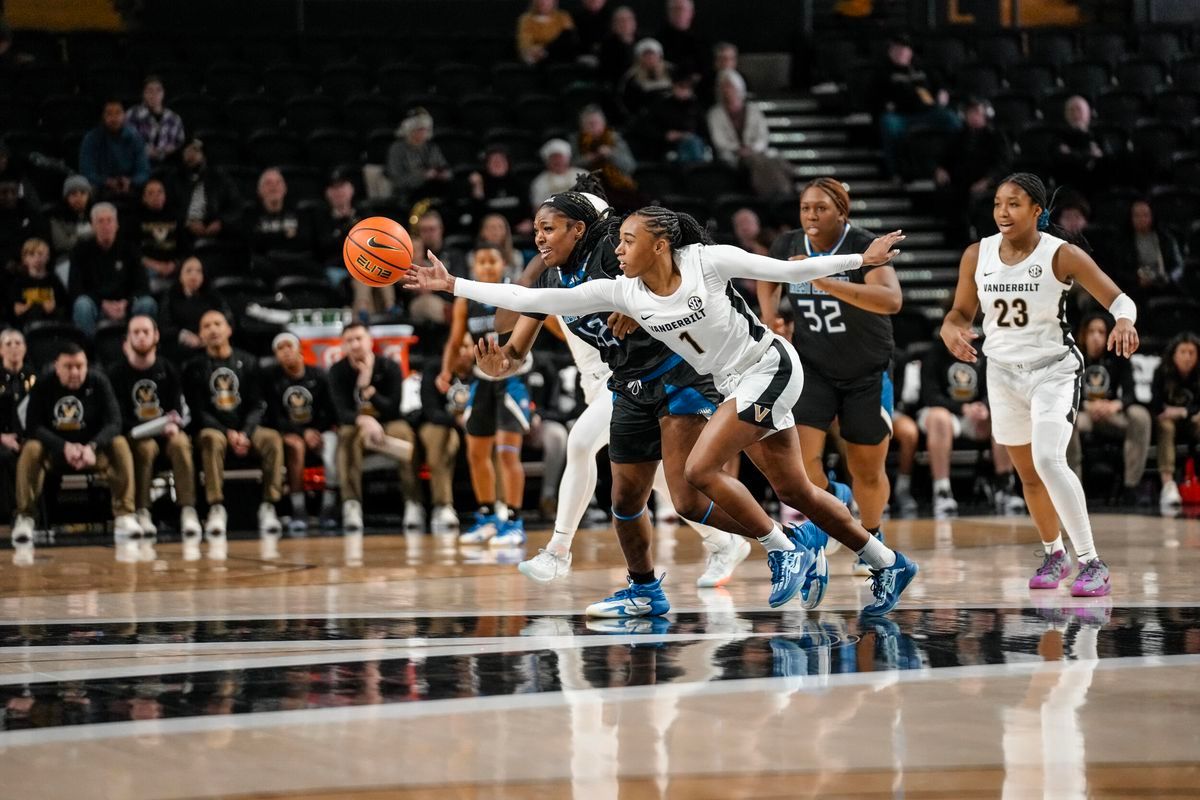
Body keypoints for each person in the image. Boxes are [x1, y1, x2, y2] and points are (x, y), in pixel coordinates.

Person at [407, 203, 917, 616]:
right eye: (618, 241)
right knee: (794, 489)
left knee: (697, 471)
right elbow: (524, 295)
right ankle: (886, 561)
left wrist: (862, 261)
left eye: (628, 241)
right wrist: (453, 285)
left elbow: (788, 269)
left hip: (769, 365)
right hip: (726, 382)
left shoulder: (706, 261)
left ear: (660, 244)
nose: (619, 249)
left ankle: (784, 550)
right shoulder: (621, 292)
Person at [483, 181, 750, 592]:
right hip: (611, 381)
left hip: (661, 374)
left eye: (550, 228)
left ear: (580, 228)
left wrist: (639, 307)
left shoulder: (614, 260)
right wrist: (496, 365)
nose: (539, 235)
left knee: (580, 443)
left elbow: (674, 282)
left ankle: (558, 551)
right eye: (537, 228)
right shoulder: (553, 276)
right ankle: (726, 542)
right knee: (662, 484)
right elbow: (509, 335)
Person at [940, 172, 1140, 597]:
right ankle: (1054, 553)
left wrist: (1124, 320)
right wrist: (950, 329)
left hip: (1053, 370)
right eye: (997, 203)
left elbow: (1120, 299)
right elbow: (959, 313)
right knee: (1028, 473)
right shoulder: (977, 254)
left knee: (1049, 459)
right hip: (1002, 372)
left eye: (1013, 203)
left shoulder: (1060, 255)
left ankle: (1091, 562)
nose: (1002, 212)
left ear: (1037, 210)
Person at [757, 178, 901, 574]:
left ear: (842, 212)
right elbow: (766, 276)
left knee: (867, 468)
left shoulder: (862, 246)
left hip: (866, 370)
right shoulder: (788, 246)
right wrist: (770, 316)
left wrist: (821, 280)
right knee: (800, 465)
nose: (811, 216)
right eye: (805, 208)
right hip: (813, 368)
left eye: (821, 208)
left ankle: (870, 536)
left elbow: (891, 300)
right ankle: (835, 499)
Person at [11, 343, 140, 563]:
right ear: (56, 367)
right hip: (55, 453)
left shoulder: (99, 381)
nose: (75, 372)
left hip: (91, 451)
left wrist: (92, 446)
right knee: (31, 448)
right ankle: (25, 516)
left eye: (80, 366)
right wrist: (64, 447)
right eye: (68, 367)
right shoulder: (43, 384)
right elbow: (33, 426)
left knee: (119, 444)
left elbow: (114, 422)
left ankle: (125, 514)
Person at [439, 242, 532, 546]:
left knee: (507, 453)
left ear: (503, 265)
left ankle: (515, 521)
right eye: (482, 261)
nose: (488, 266)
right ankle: (488, 516)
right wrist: (445, 371)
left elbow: (546, 321)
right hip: (482, 379)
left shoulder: (515, 291)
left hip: (513, 378)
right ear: (474, 268)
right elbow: (455, 341)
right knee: (476, 452)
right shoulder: (467, 299)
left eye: (493, 261)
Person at [183, 309, 284, 555]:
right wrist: (227, 432)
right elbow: (198, 411)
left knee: (271, 439)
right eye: (206, 326)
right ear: (200, 334)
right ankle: (216, 508)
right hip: (214, 429)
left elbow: (257, 404)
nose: (213, 329)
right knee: (210, 439)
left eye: (218, 324)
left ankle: (269, 505)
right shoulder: (193, 367)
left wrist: (246, 432)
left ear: (229, 329)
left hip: (245, 428)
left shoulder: (248, 362)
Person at [107, 315, 201, 557]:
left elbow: (179, 408)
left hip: (166, 432)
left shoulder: (168, 368)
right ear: (127, 339)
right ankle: (142, 510)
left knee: (181, 444)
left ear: (156, 336)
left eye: (145, 331)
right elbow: (117, 417)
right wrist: (145, 427)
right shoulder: (116, 372)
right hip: (136, 434)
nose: (141, 336)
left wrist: (173, 422)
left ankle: (187, 509)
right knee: (145, 448)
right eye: (135, 332)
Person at [328, 322, 422, 534]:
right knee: (346, 435)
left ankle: (413, 502)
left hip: (388, 423)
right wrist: (364, 420)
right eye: (349, 341)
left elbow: (393, 408)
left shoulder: (389, 367)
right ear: (343, 346)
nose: (355, 345)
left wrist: (368, 389)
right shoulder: (337, 371)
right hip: (357, 426)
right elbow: (342, 413)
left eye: (359, 339)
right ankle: (351, 504)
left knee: (405, 432)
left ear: (370, 341)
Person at [917, 334, 1023, 518]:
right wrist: (962, 408)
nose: (964, 333)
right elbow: (930, 396)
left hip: (972, 417)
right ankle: (942, 491)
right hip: (940, 413)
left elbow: (995, 388)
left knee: (1002, 415)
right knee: (939, 418)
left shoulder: (983, 352)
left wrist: (984, 406)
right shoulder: (935, 352)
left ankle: (1005, 487)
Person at [1066, 313, 1152, 505]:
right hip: (1083, 414)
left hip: (1110, 414)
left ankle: (1131, 487)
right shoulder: (1072, 356)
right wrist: (1087, 404)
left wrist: (1115, 405)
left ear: (1107, 336)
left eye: (1101, 332)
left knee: (1141, 416)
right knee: (1066, 420)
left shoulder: (1118, 356)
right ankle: (1074, 489)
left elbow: (1131, 394)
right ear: (1083, 335)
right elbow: (1064, 392)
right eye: (1091, 332)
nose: (1096, 336)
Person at [263, 332, 339, 534]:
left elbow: (331, 410)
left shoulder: (319, 375)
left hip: (320, 429)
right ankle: (298, 509)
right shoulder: (271, 379)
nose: (286, 352)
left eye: (289, 346)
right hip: (291, 431)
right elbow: (274, 416)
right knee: (295, 446)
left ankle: (329, 507)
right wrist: (302, 432)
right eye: (280, 349)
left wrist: (318, 431)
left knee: (331, 448)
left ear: (300, 350)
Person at [873, 32, 958, 180]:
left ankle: (953, 165)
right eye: (897, 49)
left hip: (928, 112)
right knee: (888, 124)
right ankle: (896, 171)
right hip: (901, 115)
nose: (901, 52)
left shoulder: (922, 68)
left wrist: (942, 93)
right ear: (890, 51)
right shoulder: (883, 72)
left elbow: (940, 85)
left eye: (904, 49)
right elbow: (874, 97)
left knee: (952, 119)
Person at [68, 203, 157, 337]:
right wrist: (103, 304)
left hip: (126, 304)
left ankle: (141, 348)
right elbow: (75, 289)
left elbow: (143, 287)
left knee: (147, 303)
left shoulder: (130, 249)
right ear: (92, 225)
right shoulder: (80, 251)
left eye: (109, 220)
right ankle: (88, 352)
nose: (105, 226)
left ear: (117, 224)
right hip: (96, 304)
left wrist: (127, 303)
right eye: (100, 221)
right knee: (82, 305)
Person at [934, 97, 1010, 246]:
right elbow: (945, 158)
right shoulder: (959, 136)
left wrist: (987, 181)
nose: (974, 116)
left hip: (987, 184)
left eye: (977, 113)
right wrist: (941, 169)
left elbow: (1002, 165)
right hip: (960, 182)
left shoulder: (996, 137)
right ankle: (953, 238)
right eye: (971, 113)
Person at [416, 333, 471, 534]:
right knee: (441, 436)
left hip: (475, 428)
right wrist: (457, 421)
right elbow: (431, 411)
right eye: (457, 347)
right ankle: (443, 506)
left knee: (495, 435)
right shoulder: (434, 369)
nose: (463, 352)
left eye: (466, 346)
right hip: (442, 426)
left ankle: (499, 506)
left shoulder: (482, 369)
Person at [707, 69, 792, 198]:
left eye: (730, 86)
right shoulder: (715, 114)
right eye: (724, 86)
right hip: (733, 155)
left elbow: (763, 136)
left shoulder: (753, 110)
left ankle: (783, 193)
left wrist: (753, 149)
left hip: (755, 151)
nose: (727, 90)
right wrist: (738, 149)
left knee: (772, 160)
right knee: (757, 161)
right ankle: (768, 194)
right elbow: (719, 140)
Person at [1151, 332, 1200, 517]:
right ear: (1174, 354)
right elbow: (1156, 405)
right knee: (1165, 425)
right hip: (1168, 421)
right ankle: (1168, 484)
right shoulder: (1161, 371)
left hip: (1192, 420)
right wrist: (1174, 413)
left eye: (1192, 352)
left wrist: (1183, 412)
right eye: (1183, 352)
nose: (1187, 357)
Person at [171, 138, 243, 259]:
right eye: (187, 152)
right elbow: (168, 207)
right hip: (183, 234)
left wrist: (221, 222)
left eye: (196, 151)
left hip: (217, 231)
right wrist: (187, 222)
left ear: (204, 155)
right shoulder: (174, 179)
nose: (192, 155)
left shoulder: (220, 178)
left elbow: (236, 206)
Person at [247, 167, 318, 280]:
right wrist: (285, 235)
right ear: (259, 190)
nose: (274, 187)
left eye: (278, 182)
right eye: (268, 183)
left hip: (297, 262)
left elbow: (306, 240)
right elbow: (253, 243)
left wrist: (269, 237)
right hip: (267, 266)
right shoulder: (251, 215)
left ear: (285, 188)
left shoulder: (299, 213)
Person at [158, 256, 231, 363]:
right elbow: (164, 326)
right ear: (180, 275)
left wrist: (208, 337)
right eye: (189, 270)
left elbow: (228, 320)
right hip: (181, 345)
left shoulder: (213, 295)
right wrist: (183, 335)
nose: (194, 275)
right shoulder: (171, 295)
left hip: (209, 342)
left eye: (198, 271)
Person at [78, 98, 150, 204]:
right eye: (109, 113)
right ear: (103, 116)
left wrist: (131, 181)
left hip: (130, 185)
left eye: (118, 113)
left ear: (124, 115)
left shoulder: (135, 137)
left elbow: (144, 170)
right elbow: (86, 171)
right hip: (101, 186)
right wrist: (106, 182)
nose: (114, 118)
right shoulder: (91, 138)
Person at [1116, 199, 1185, 308]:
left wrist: (1169, 278)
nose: (1141, 219)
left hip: (1165, 285)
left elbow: (1178, 265)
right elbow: (1118, 269)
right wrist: (1136, 279)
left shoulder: (1166, 239)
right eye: (1137, 216)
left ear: (1152, 216)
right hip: (1135, 287)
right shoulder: (1123, 242)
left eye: (1145, 215)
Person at [631, 71, 709, 164]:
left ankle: (696, 171)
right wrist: (665, 135)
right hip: (666, 146)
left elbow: (704, 131)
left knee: (693, 143)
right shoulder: (661, 105)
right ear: (674, 86)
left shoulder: (696, 107)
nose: (683, 91)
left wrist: (688, 135)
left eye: (687, 88)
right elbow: (644, 126)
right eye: (681, 87)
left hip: (693, 144)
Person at [572, 105, 638, 208]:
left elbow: (630, 166)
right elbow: (570, 166)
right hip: (590, 188)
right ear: (582, 126)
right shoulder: (576, 140)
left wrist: (611, 154)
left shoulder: (614, 139)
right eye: (589, 124)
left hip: (617, 185)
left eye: (596, 123)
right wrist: (589, 159)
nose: (593, 127)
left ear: (604, 124)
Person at [0, 329, 33, 523]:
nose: (14, 348)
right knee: (4, 456)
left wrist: (27, 438)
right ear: (1, 350)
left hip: (29, 437)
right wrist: (3, 438)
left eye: (18, 343)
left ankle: (32, 511)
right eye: (8, 344)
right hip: (2, 437)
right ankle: (11, 513)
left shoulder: (34, 377)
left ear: (25, 348)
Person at [386, 108, 451, 205]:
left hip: (432, 192)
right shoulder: (397, 149)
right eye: (420, 129)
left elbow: (445, 168)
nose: (424, 133)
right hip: (407, 195)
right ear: (410, 130)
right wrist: (422, 176)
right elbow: (397, 181)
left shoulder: (431, 147)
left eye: (426, 129)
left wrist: (443, 174)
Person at [467, 146, 532, 236]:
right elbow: (476, 218)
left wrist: (528, 222)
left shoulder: (518, 184)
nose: (498, 163)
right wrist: (478, 190)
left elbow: (528, 210)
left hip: (518, 233)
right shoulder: (480, 184)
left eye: (501, 160)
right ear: (486, 165)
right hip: (490, 234)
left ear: (508, 163)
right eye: (493, 161)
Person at [134, 178, 182, 294]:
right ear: (144, 198)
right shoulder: (135, 219)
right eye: (151, 193)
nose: (156, 196)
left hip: (173, 268)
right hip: (148, 268)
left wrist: (173, 264)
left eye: (160, 192)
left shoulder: (176, 216)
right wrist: (154, 265)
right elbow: (132, 249)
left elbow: (185, 246)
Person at [8, 238, 68, 330]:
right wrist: (34, 305)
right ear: (24, 259)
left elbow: (63, 304)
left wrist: (53, 306)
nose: (37, 258)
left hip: (52, 323)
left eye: (40, 254)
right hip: (27, 326)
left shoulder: (54, 280)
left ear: (47, 257)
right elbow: (17, 310)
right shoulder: (19, 282)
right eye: (32, 254)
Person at [126, 75, 185, 167]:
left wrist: (169, 150)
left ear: (163, 93)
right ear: (143, 94)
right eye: (150, 91)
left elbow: (179, 142)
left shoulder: (173, 118)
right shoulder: (133, 114)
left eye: (158, 90)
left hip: (166, 164)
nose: (154, 95)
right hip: (138, 163)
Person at [618, 38, 673, 120]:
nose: (650, 58)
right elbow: (628, 103)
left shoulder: (671, 71)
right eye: (646, 55)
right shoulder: (632, 77)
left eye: (653, 54)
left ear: (660, 55)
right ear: (639, 57)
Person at [528, 138, 588, 213]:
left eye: (560, 157)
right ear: (547, 161)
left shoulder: (583, 174)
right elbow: (538, 209)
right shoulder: (539, 183)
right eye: (553, 158)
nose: (558, 161)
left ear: (568, 158)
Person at [655, 0, 707, 85]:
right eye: (675, 9)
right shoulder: (657, 41)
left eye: (682, 9)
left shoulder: (702, 41)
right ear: (668, 12)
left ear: (691, 13)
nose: (679, 13)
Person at [48, 175, 93, 271]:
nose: (78, 198)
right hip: (67, 260)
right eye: (73, 194)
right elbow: (62, 244)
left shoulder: (96, 213)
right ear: (66, 197)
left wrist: (73, 237)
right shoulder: (57, 217)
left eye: (83, 193)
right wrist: (88, 233)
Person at [516, 0, 578, 65]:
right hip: (536, 57)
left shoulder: (563, 17)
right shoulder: (526, 19)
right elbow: (524, 40)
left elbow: (569, 38)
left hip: (558, 55)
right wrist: (533, 50)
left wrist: (546, 49)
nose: (543, 2)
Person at [598, 5, 638, 87]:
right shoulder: (607, 46)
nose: (625, 23)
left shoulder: (643, 42)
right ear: (613, 25)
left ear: (634, 23)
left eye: (628, 19)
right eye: (621, 21)